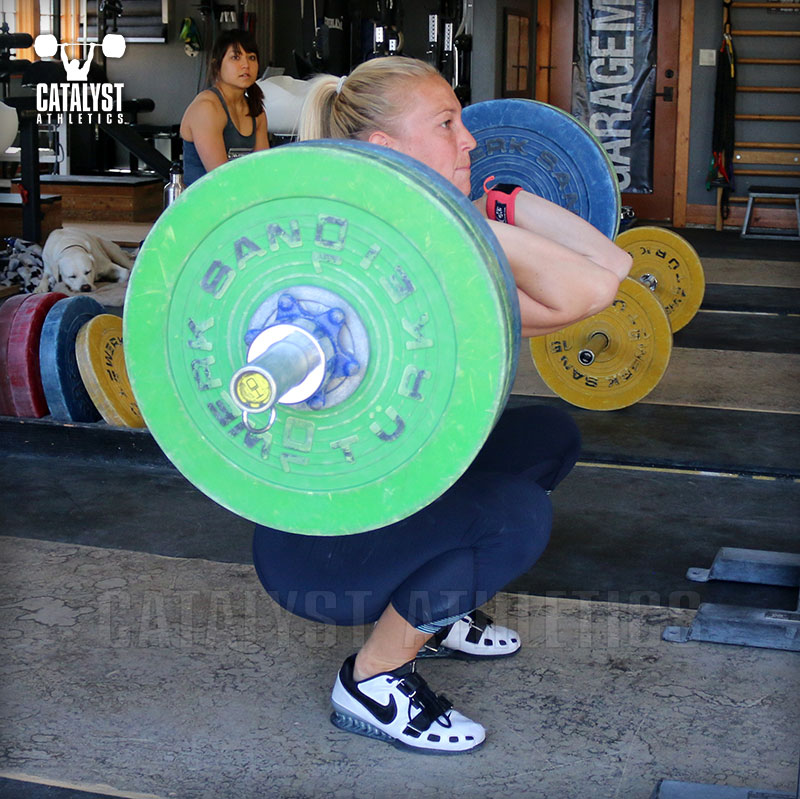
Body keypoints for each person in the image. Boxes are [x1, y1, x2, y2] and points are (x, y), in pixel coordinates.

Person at [252, 57, 632, 755]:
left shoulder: (439, 267)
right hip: (318, 542)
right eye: (448, 124)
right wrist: (442, 212)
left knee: (547, 435)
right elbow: (584, 290)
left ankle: (434, 609)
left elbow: (607, 274)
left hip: (386, 498)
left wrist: (497, 205)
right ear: (387, 152)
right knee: (514, 517)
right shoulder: (353, 271)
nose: (471, 141)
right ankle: (373, 678)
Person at [180, 30, 269, 187]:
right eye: (235, 57)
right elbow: (221, 179)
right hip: (203, 206)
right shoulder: (207, 108)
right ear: (217, 65)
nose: (245, 65)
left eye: (251, 57)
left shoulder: (256, 111)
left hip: (239, 203)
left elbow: (263, 171)